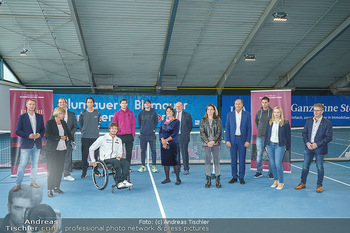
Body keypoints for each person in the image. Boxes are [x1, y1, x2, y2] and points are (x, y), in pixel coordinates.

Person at [295, 103, 333, 193]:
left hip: (320, 148)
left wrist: (317, 144)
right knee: (305, 166)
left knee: (319, 167)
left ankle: (319, 185)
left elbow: (329, 137)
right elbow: (304, 133)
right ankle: (302, 183)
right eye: (314, 110)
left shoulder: (327, 123)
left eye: (317, 110)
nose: (315, 112)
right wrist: (307, 142)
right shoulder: (308, 121)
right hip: (308, 147)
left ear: (322, 111)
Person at [13, 99, 45, 192]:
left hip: (37, 144)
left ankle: (33, 181)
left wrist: (39, 135)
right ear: (26, 105)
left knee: (35, 164)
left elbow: (43, 129)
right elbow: (18, 131)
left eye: (33, 104)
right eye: (30, 104)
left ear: (35, 106)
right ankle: (18, 184)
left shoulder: (39, 117)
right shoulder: (22, 117)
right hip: (26, 145)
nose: (32, 106)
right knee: (22, 165)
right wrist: (28, 135)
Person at [89, 122, 133, 189]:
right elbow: (91, 148)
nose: (114, 130)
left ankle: (124, 180)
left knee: (125, 162)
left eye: (115, 129)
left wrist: (119, 156)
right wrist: (93, 161)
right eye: (112, 128)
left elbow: (120, 151)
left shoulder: (118, 140)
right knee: (117, 162)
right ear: (109, 129)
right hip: (105, 160)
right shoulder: (102, 138)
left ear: (117, 130)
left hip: (115, 159)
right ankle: (119, 182)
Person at [46, 107, 74, 197]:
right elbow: (48, 135)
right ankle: (49, 189)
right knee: (51, 170)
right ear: (57, 114)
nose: (64, 115)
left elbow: (68, 133)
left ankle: (56, 187)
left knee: (59, 169)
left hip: (62, 150)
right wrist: (60, 137)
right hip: (52, 150)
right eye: (62, 114)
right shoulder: (49, 123)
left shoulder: (64, 123)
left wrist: (72, 140)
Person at [50, 98, 78, 181]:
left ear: (66, 103)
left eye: (63, 102)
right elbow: (51, 125)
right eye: (60, 102)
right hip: (57, 139)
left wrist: (69, 135)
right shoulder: (53, 114)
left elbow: (75, 126)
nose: (62, 104)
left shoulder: (72, 114)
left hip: (68, 139)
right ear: (58, 104)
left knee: (67, 157)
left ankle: (66, 174)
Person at [264, 106, 291, 190]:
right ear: (273, 113)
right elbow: (267, 134)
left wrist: (287, 146)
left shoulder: (285, 123)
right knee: (272, 164)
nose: (276, 114)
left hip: (280, 145)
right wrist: (265, 145)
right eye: (275, 112)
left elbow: (288, 136)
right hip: (270, 145)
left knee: (278, 164)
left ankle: (281, 182)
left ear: (280, 113)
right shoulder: (270, 122)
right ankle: (276, 180)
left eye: (278, 112)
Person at [226, 99, 251, 184]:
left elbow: (249, 129)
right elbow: (227, 128)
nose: (237, 105)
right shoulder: (230, 114)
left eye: (239, 104)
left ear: (242, 105)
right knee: (233, 160)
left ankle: (241, 177)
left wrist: (248, 140)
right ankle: (234, 176)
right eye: (236, 104)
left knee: (242, 160)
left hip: (242, 140)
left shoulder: (247, 114)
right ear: (234, 105)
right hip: (232, 141)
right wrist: (227, 140)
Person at [200, 104, 222, 188]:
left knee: (216, 162)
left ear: (214, 110)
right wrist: (207, 141)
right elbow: (202, 132)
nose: (210, 111)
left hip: (215, 143)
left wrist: (213, 141)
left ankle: (218, 181)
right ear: (206, 111)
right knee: (207, 162)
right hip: (206, 144)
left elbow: (219, 132)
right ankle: (208, 181)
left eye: (211, 109)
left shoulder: (218, 119)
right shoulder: (203, 120)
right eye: (208, 109)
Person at [79, 97, 101, 178]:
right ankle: (84, 171)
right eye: (88, 102)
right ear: (86, 103)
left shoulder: (97, 113)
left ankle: (95, 170)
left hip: (95, 137)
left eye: (91, 102)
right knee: (84, 155)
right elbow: (80, 125)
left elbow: (99, 124)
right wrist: (83, 131)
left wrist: (95, 131)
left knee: (95, 155)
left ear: (93, 103)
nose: (90, 104)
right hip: (85, 137)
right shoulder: (82, 113)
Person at [159, 106, 181, 185]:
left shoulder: (176, 121)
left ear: (173, 112)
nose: (168, 113)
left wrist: (166, 140)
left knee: (174, 162)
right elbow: (160, 132)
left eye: (170, 111)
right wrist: (162, 140)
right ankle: (167, 178)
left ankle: (178, 179)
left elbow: (175, 133)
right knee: (165, 162)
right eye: (167, 111)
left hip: (172, 143)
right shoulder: (163, 121)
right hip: (163, 144)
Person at [112, 98, 135, 170]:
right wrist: (115, 135)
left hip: (129, 136)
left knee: (129, 153)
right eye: (122, 103)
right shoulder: (116, 114)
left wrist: (133, 134)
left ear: (127, 104)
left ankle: (127, 167)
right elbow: (114, 125)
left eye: (125, 103)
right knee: (118, 153)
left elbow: (133, 124)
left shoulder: (131, 113)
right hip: (120, 136)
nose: (124, 104)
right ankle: (117, 166)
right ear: (120, 104)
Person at [254, 96, 273, 179]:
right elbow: (256, 122)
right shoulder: (258, 113)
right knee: (259, 155)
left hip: (270, 138)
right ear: (261, 103)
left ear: (269, 103)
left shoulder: (272, 112)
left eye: (266, 102)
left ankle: (271, 172)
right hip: (260, 137)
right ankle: (259, 171)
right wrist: (261, 130)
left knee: (270, 155)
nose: (264, 104)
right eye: (263, 102)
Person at [137, 99, 158, 173]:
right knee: (143, 151)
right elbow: (139, 123)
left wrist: (151, 128)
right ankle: (143, 166)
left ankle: (154, 166)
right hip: (143, 136)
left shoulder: (154, 113)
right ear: (144, 105)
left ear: (150, 104)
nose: (147, 104)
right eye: (145, 103)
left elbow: (156, 123)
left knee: (154, 151)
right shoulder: (140, 113)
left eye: (148, 103)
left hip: (152, 136)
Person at [175, 102, 193, 175]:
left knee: (184, 153)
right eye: (177, 106)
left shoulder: (187, 115)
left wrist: (184, 134)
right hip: (175, 137)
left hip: (183, 137)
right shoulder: (173, 115)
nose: (178, 107)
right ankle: (177, 168)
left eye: (179, 106)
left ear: (182, 107)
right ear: (175, 107)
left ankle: (186, 168)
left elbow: (190, 126)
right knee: (176, 154)